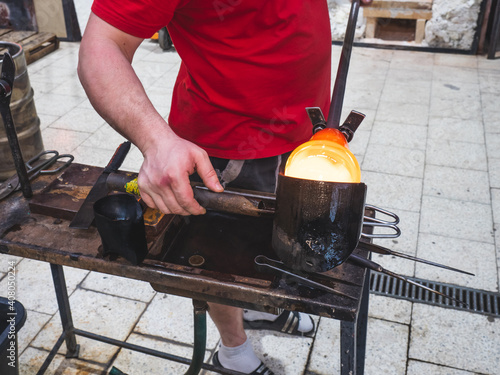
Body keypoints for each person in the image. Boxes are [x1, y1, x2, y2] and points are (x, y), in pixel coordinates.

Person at [78, 1, 370, 373]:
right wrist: (156, 142)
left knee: (271, 238)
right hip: (225, 148)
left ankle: (254, 307)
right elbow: (101, 45)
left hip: (304, 133)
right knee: (221, 256)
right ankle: (233, 351)